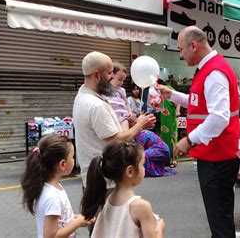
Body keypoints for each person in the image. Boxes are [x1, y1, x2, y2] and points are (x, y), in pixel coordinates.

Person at [156, 26, 240, 237]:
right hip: (215, 156)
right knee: (219, 217)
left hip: (217, 159)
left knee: (220, 221)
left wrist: (189, 140)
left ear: (194, 45)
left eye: (182, 49)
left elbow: (218, 118)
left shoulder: (214, 72)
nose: (181, 55)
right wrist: (173, 95)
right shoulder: (209, 68)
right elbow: (199, 103)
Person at [72, 51, 155, 189]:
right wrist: (139, 125)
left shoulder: (83, 94)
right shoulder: (96, 105)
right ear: (97, 75)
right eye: (110, 73)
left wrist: (134, 125)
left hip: (95, 177)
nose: (112, 77)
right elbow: (116, 140)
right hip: (104, 181)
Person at [81, 141, 165, 238]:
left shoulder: (109, 200)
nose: (144, 169)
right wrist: (160, 227)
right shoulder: (141, 206)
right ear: (130, 171)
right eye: (142, 164)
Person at [21, 134, 95, 237]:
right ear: (62, 164)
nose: (74, 160)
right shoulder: (53, 197)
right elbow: (51, 236)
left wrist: (75, 218)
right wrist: (77, 223)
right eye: (72, 157)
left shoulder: (51, 187)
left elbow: (60, 220)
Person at [104, 62, 135, 130]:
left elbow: (126, 103)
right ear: (111, 76)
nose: (121, 82)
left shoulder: (121, 90)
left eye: (123, 80)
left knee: (125, 130)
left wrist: (130, 112)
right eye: (119, 79)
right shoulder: (103, 89)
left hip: (122, 115)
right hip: (110, 116)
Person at [157, 79, 180, 168]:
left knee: (172, 137)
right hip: (163, 118)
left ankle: (174, 159)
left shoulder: (168, 89)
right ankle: (167, 159)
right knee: (164, 138)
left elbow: (178, 100)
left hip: (171, 117)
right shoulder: (156, 93)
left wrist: (177, 110)